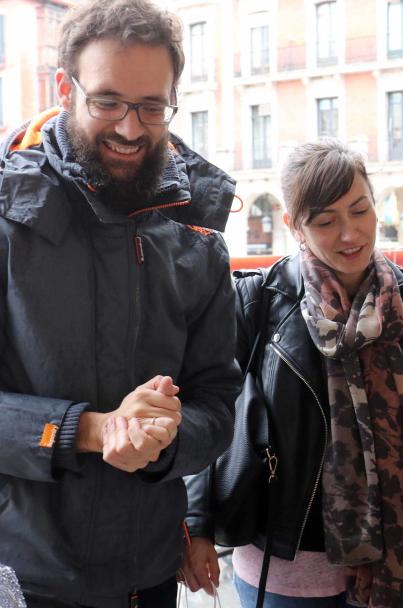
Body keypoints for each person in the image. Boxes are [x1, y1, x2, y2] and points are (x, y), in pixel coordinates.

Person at [0, 1, 240, 606]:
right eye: (107, 100)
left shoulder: (199, 234)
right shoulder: (6, 221)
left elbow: (217, 400)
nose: (130, 129)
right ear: (65, 89)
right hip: (24, 576)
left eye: (152, 107)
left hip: (149, 575)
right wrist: (88, 431)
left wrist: (166, 437)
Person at [182, 139, 403, 607]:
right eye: (326, 220)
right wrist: (196, 525)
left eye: (360, 210)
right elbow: (209, 415)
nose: (350, 233)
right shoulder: (259, 301)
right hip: (288, 564)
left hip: (396, 559)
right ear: (295, 226)